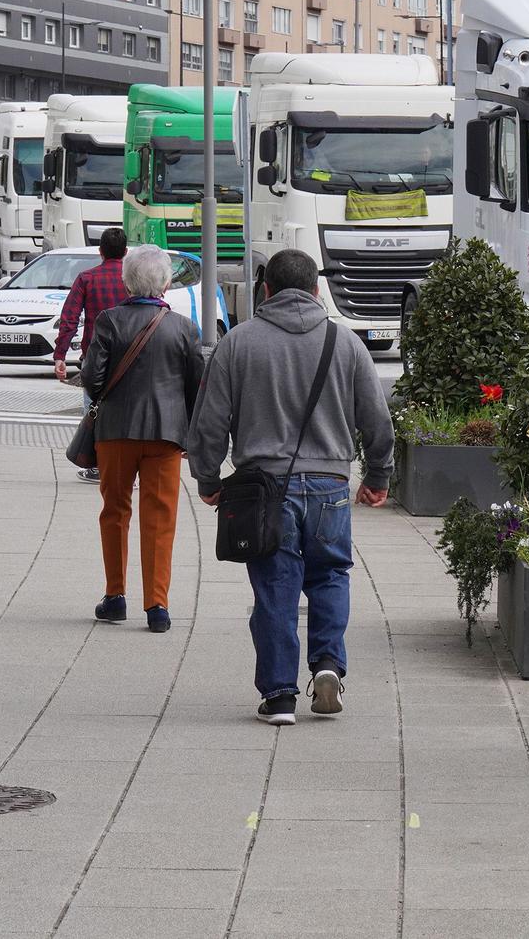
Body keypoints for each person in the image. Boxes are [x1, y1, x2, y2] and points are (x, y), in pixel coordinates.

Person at [187, 249, 394, 726]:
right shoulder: (347, 345)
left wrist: (208, 477)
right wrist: (378, 476)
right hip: (331, 487)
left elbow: (210, 422)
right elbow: (378, 422)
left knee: (276, 587)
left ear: (265, 290)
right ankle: (327, 666)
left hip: (265, 489)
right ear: (316, 291)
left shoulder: (237, 344)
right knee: (330, 576)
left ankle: (280, 695)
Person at [80, 245, 204, 634]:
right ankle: (157, 605)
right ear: (166, 283)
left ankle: (115, 596)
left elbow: (91, 377)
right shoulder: (183, 327)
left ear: (126, 281)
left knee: (114, 511)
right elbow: (196, 385)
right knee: (160, 516)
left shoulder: (109, 321)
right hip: (166, 435)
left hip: (115, 431)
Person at [53, 227, 127, 481]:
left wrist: (60, 355)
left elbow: (69, 318)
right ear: (126, 252)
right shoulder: (133, 279)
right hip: (130, 358)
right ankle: (125, 466)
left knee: (93, 410)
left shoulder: (87, 278)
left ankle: (97, 465)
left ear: (100, 252)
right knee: (128, 408)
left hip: (95, 358)